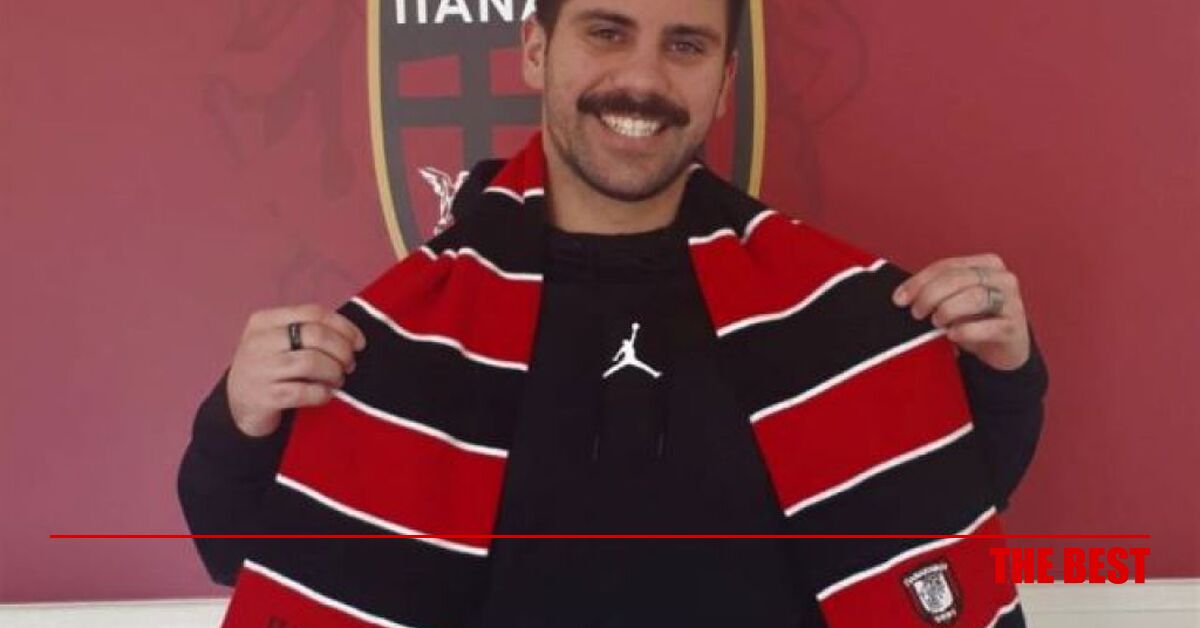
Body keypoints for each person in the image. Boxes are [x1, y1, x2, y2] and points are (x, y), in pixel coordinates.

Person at [178, 0, 1048, 625]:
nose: (641, 79)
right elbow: (236, 547)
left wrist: (1007, 375)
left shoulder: (825, 310)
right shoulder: (412, 331)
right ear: (535, 50)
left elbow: (954, 496)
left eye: (685, 45)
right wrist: (238, 417)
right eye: (606, 31)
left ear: (723, 81)